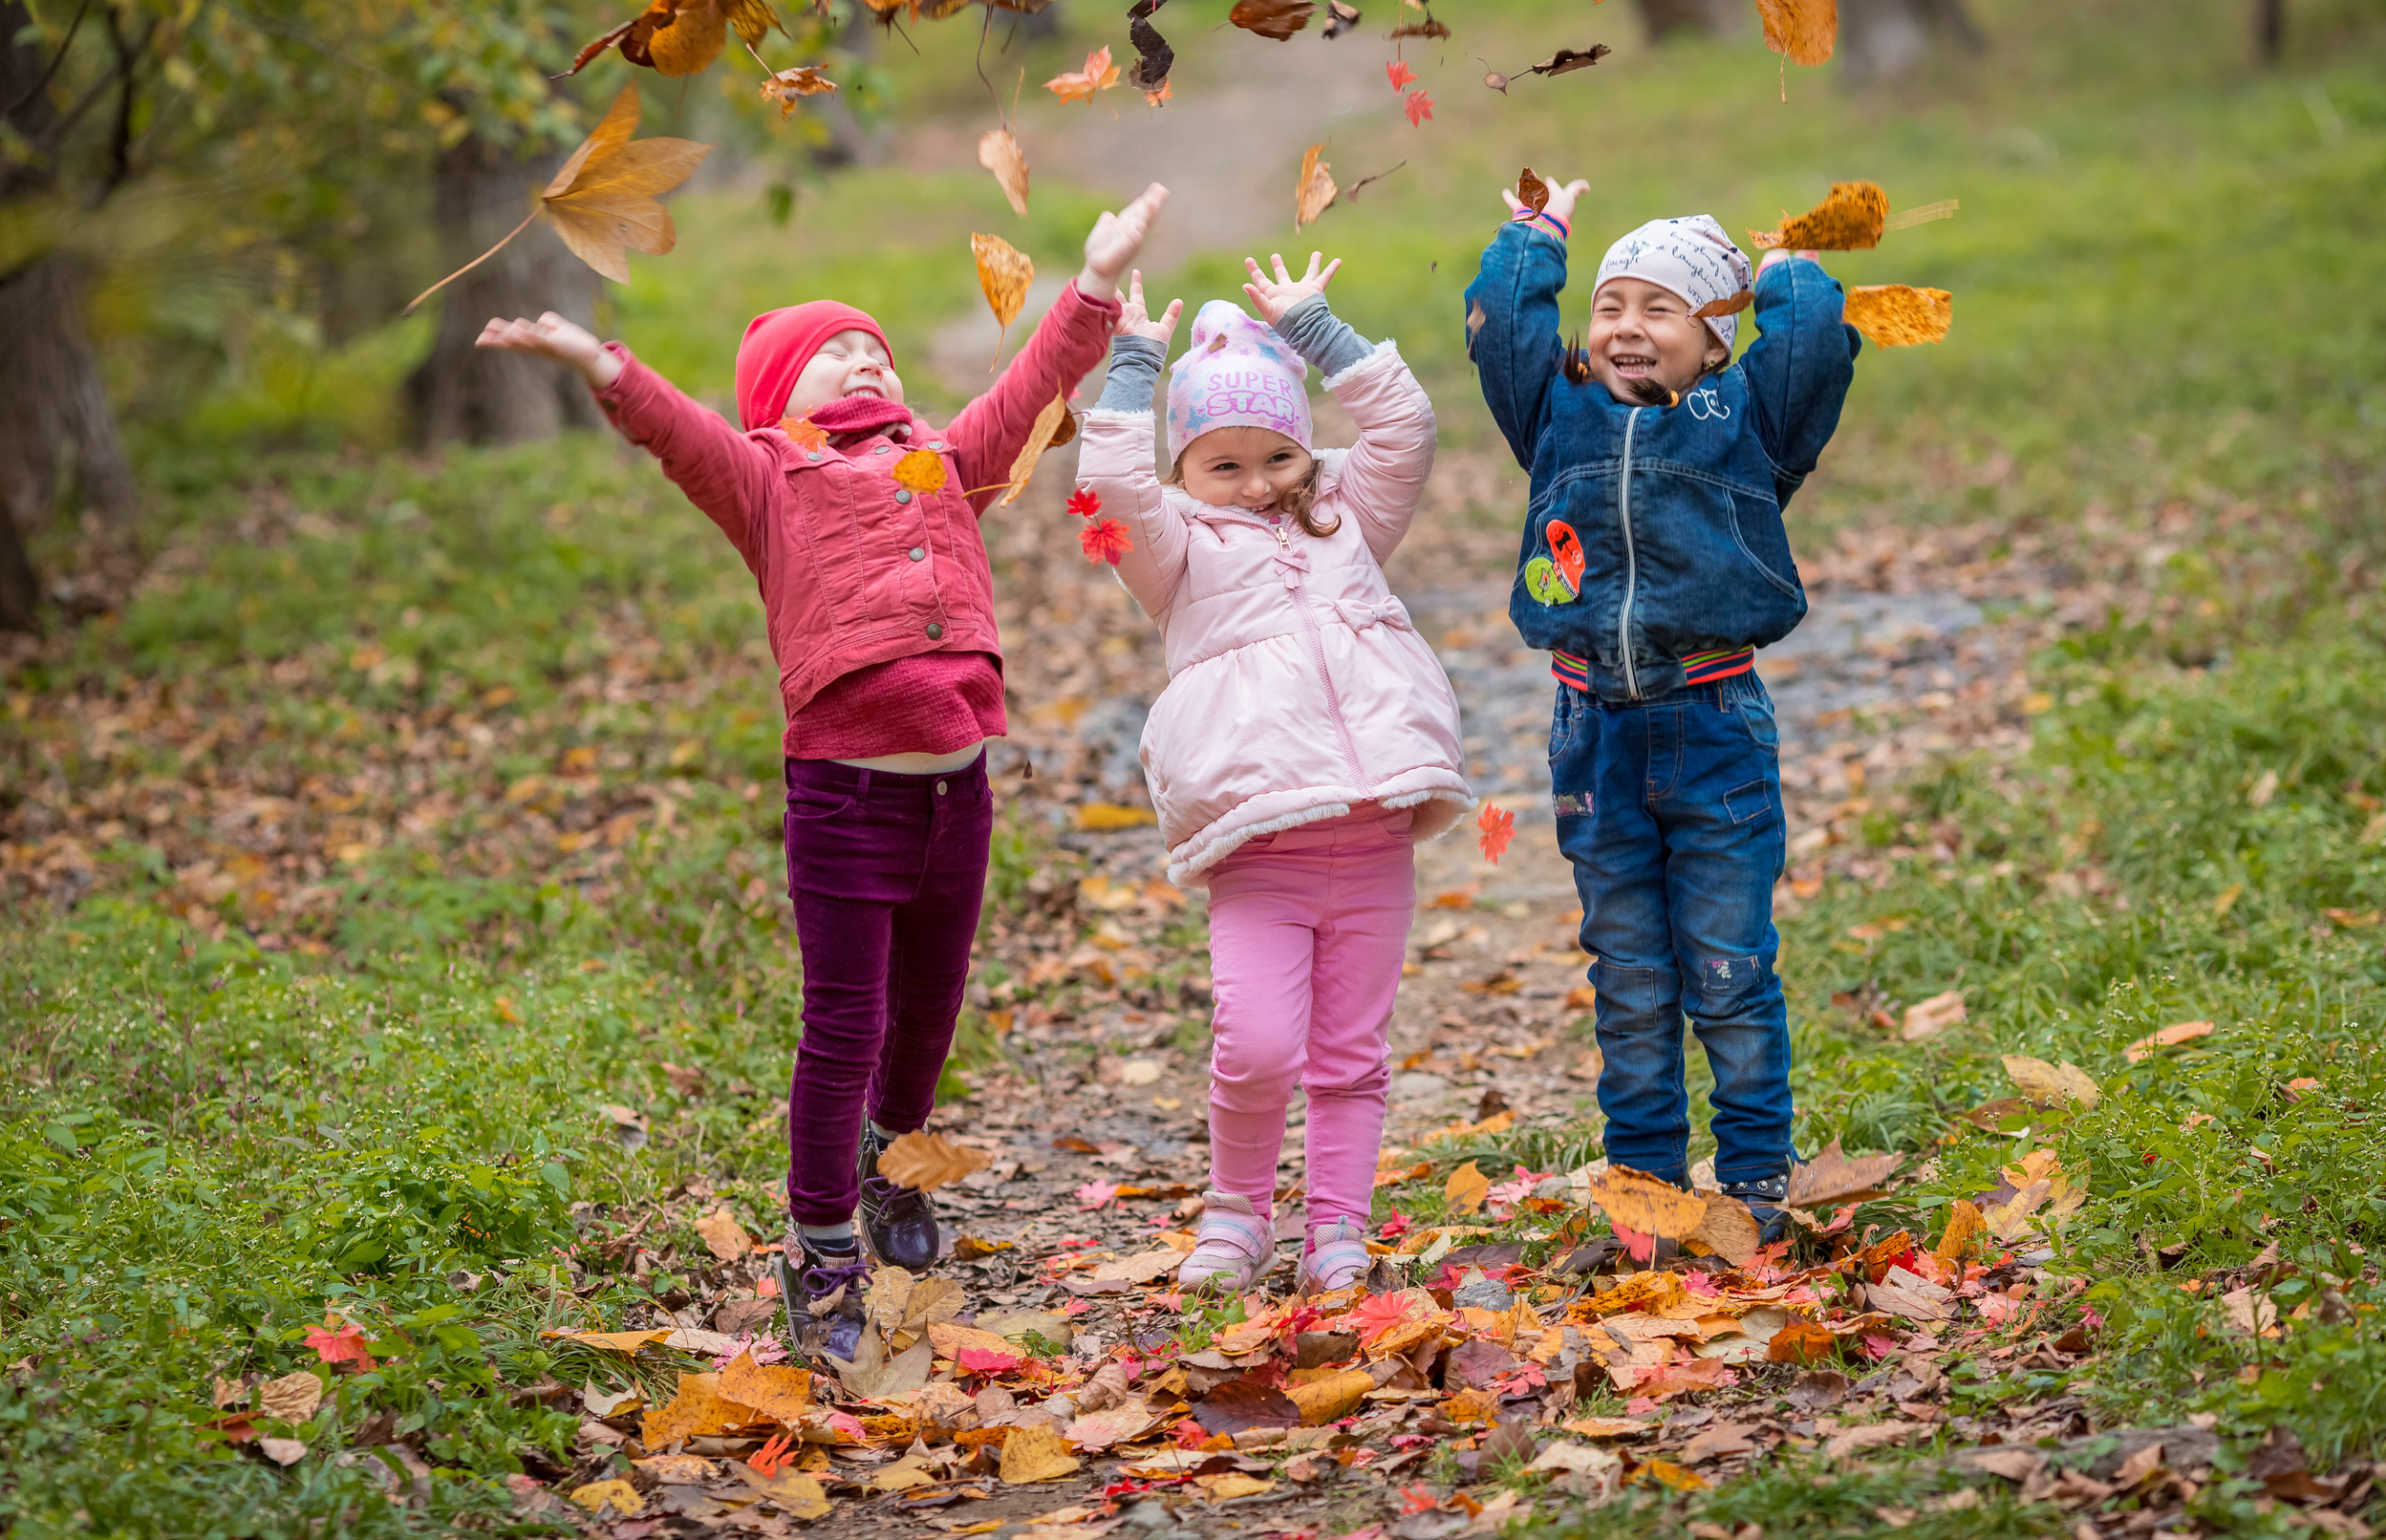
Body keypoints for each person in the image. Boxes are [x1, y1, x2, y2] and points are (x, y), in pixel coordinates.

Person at [473, 184, 1172, 1358]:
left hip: (960, 791)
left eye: (873, 353)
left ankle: (894, 1164)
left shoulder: (945, 464)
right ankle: (820, 1245)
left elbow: (1028, 394)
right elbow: (678, 434)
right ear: (773, 400)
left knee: (931, 1009)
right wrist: (598, 359)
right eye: (831, 355)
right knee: (844, 1022)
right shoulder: (766, 485)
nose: (862, 364)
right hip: (847, 798)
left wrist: (1095, 283)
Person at [1462, 176, 1859, 1240]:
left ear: (1714, 341)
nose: (1627, 328)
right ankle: (1643, 1184)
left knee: (1727, 967)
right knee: (1630, 971)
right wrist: (1533, 240)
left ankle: (1755, 1178)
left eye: (1661, 309)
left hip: (1714, 722)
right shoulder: (1557, 418)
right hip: (1592, 732)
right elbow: (1500, 330)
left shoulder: (1747, 428)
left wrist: (1785, 270)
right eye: (1610, 306)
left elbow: (1815, 343)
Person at [1073, 252, 1471, 1295]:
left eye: (1277, 458)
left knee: (1350, 1055)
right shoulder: (1170, 554)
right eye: (1225, 465)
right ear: (1185, 472)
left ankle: (1336, 1227)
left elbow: (1406, 431)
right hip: (1259, 844)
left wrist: (1319, 330)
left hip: (1373, 832)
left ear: (1306, 449)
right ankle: (1235, 1215)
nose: (1257, 486)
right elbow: (1107, 482)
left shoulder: (1348, 518)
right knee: (1254, 1047)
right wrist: (1133, 364)